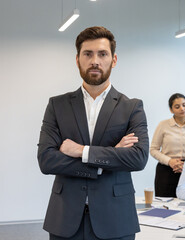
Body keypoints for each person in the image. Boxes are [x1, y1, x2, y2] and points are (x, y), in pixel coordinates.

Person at [37, 26, 149, 240]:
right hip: (65, 219)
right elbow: (47, 160)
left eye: (102, 54)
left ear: (114, 60)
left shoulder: (132, 107)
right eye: (88, 54)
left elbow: (137, 158)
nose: (95, 60)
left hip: (116, 219)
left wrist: (82, 151)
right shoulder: (57, 105)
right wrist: (107, 159)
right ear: (77, 59)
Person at [150, 93, 185, 197]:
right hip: (166, 170)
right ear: (171, 110)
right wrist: (170, 161)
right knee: (164, 205)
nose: (182, 108)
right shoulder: (163, 125)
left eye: (184, 105)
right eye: (177, 107)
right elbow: (153, 149)